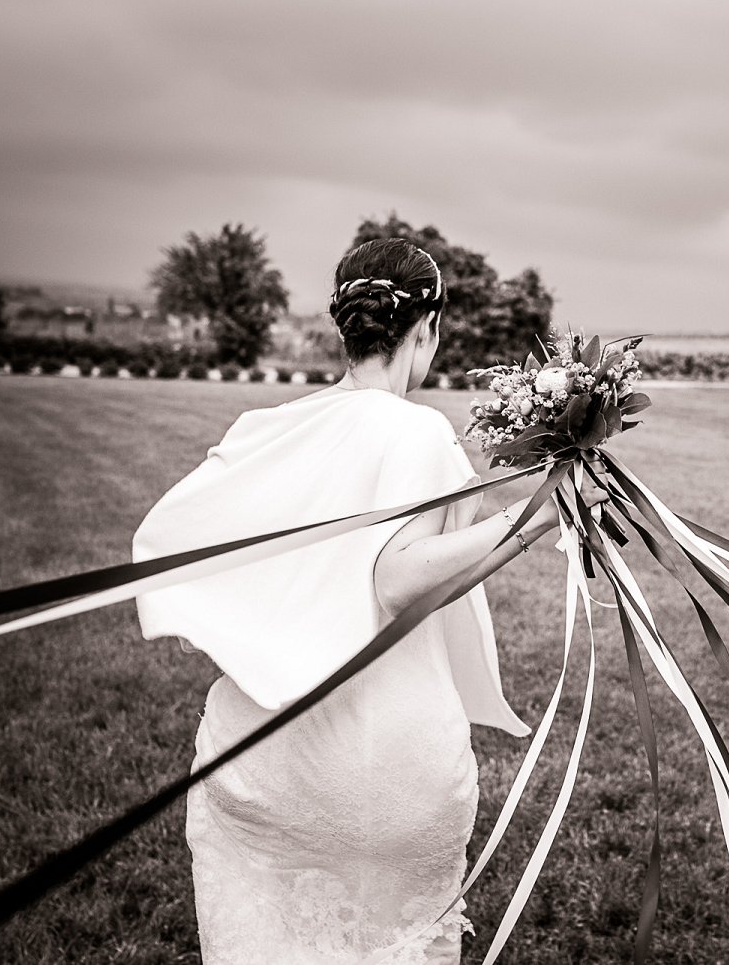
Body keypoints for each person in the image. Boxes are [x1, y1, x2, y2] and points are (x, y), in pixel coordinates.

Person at [130, 237, 609, 964]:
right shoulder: (412, 427)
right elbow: (398, 577)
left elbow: (179, 531)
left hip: (253, 763)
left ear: (346, 326)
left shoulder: (274, 427)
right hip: (370, 777)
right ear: (429, 328)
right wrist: (540, 515)